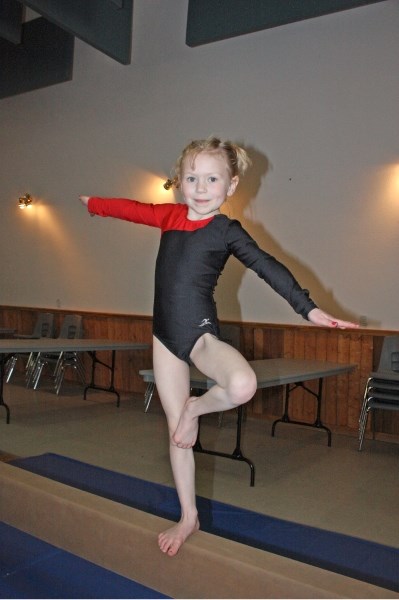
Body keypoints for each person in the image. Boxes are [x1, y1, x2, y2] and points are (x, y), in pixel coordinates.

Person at [79, 136, 358, 557]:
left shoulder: (226, 230)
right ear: (179, 181)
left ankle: (197, 407)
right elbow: (129, 209)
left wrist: (309, 310)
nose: (201, 186)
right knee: (178, 437)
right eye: (192, 177)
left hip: (200, 334)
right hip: (164, 337)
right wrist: (93, 204)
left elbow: (267, 266)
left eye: (212, 179)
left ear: (230, 186)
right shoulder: (169, 217)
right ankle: (188, 515)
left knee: (242, 384)